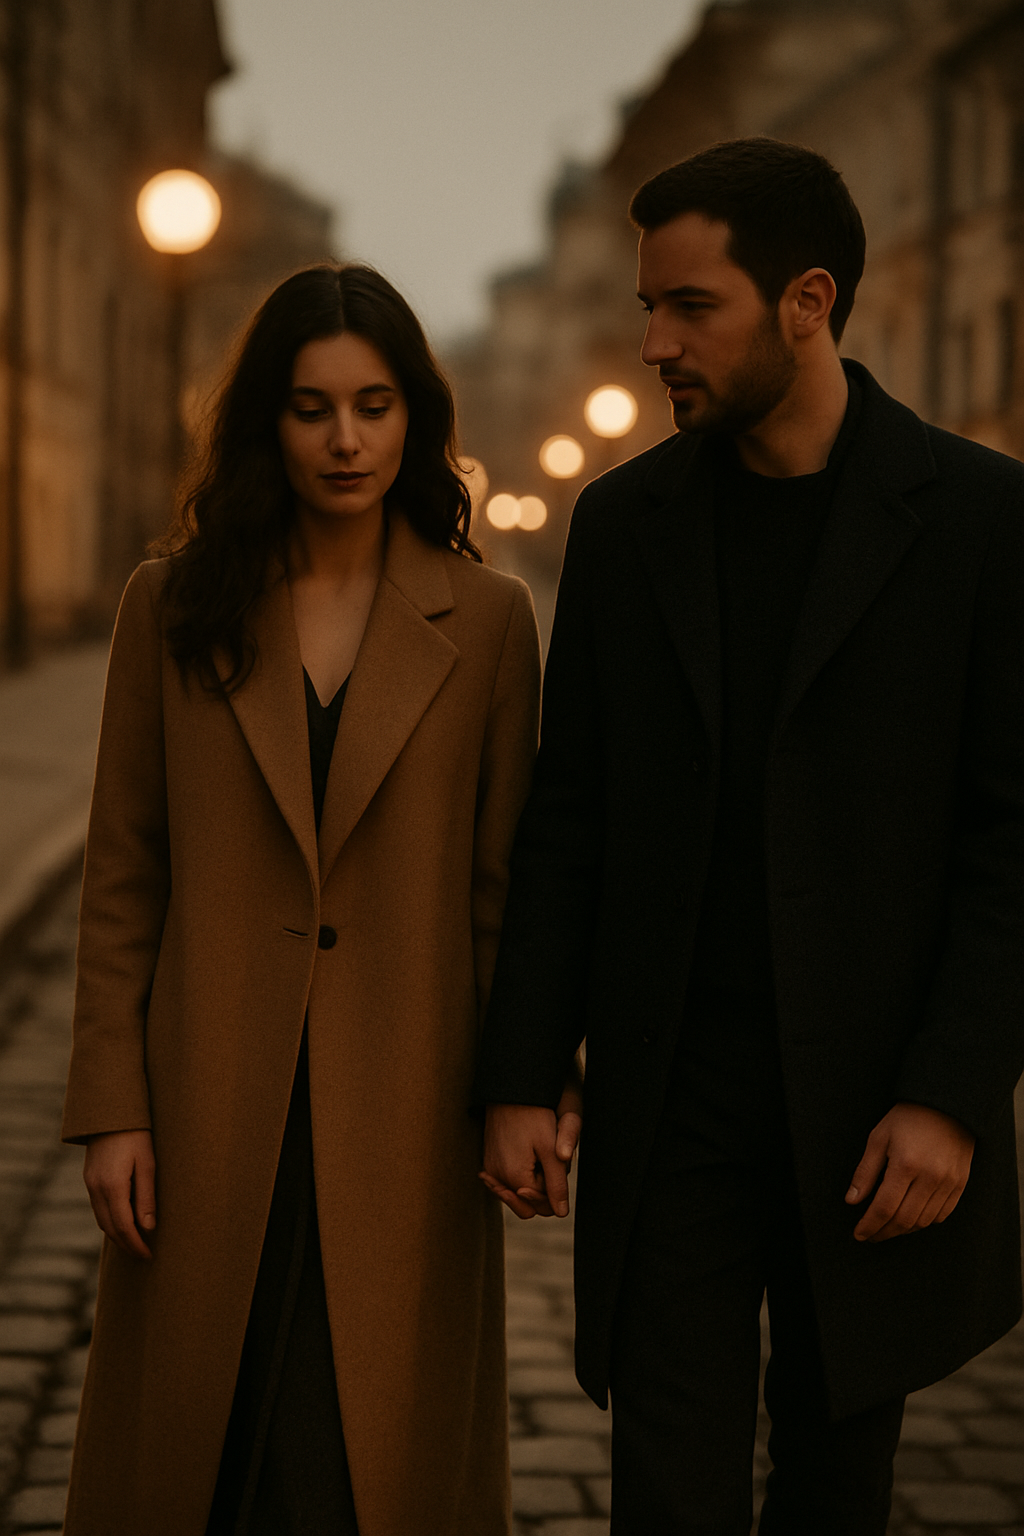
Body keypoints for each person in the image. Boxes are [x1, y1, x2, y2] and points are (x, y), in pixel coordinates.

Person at [475, 138, 1024, 1535]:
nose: (655, 341)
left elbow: (1011, 836)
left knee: (841, 1483)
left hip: (876, 1107)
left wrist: (953, 1092)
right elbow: (572, 816)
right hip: (674, 1102)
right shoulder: (623, 526)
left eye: (689, 307)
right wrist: (524, 1072)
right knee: (667, 1484)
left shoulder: (980, 520)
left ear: (807, 299)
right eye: (647, 308)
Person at [61, 262, 559, 1536]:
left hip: (407, 1105)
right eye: (310, 407)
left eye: (375, 405)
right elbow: (125, 880)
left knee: (367, 1462)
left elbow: (506, 890)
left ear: (416, 420)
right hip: (209, 1098)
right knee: (201, 1457)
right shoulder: (170, 607)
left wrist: (524, 1091)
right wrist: (114, 1107)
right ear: (262, 425)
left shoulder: (493, 622)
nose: (345, 440)